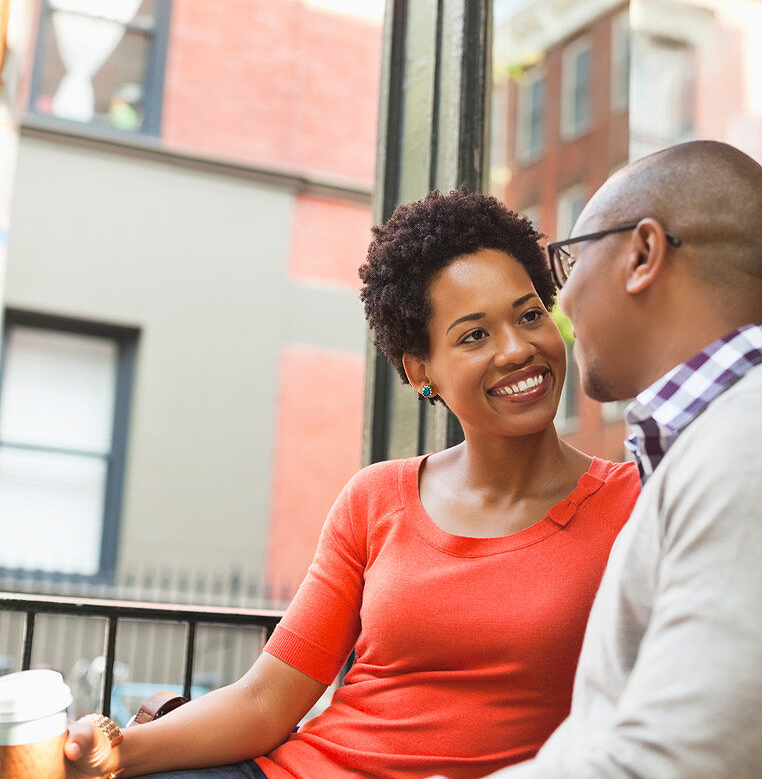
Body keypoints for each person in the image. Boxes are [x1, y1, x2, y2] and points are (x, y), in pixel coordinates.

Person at [65, 189, 639, 779]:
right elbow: (265, 703)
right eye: (474, 335)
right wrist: (114, 755)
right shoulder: (377, 498)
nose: (518, 349)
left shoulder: (635, 502)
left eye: (529, 314)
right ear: (420, 370)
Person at [470, 139, 762, 779]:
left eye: (570, 263)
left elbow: (686, 758)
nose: (564, 304)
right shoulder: (707, 442)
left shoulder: (746, 445)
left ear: (642, 254)